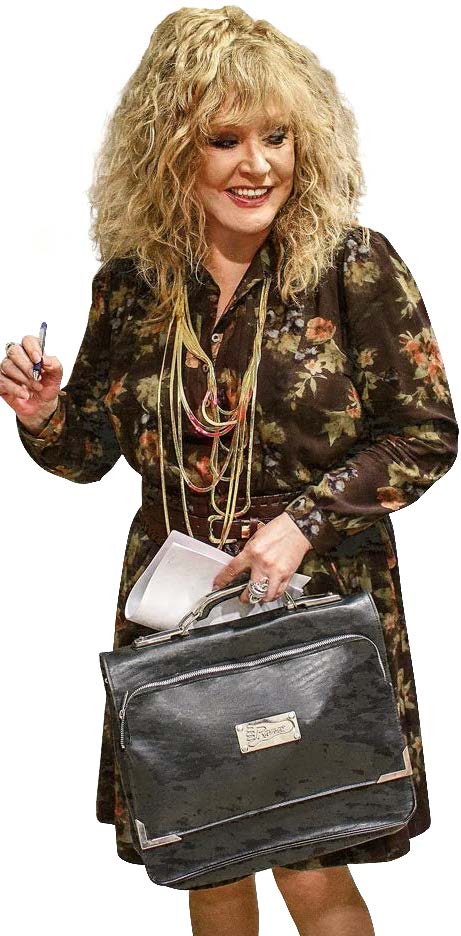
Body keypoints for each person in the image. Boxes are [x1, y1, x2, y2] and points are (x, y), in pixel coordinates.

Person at [1, 5, 458, 935]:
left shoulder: (351, 265)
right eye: (224, 139)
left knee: (310, 868)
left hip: (309, 604)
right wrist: (44, 413)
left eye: (276, 137)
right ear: (169, 149)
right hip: (175, 607)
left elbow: (424, 433)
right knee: (207, 860)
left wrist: (303, 524)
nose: (257, 165)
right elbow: (88, 454)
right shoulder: (131, 284)